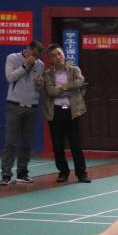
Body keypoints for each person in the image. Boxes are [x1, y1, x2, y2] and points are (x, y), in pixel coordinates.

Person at [42, 45, 90, 183]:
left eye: (59, 54)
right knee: (57, 145)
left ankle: (81, 173)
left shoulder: (75, 70)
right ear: (50, 59)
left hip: (72, 111)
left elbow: (80, 82)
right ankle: (63, 172)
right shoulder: (47, 74)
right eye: (53, 55)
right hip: (55, 113)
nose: (57, 57)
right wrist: (70, 90)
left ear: (63, 54)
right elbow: (51, 92)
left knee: (76, 144)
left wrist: (63, 87)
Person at [1, 40, 45, 185]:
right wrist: (25, 66)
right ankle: (6, 174)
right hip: (14, 105)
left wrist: (40, 85)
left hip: (31, 106)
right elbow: (10, 77)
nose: (35, 58)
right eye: (34, 54)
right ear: (28, 49)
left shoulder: (40, 65)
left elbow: (38, 88)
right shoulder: (12, 58)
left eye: (38, 56)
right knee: (10, 141)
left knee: (26, 142)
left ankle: (22, 173)